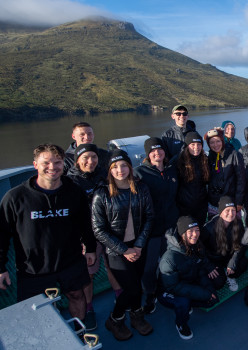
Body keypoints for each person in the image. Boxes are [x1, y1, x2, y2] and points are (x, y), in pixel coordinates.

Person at [0, 144, 96, 329]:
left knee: (77, 295)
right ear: (35, 164)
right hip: (33, 267)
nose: (52, 167)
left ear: (63, 164)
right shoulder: (15, 197)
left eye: (57, 162)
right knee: (35, 308)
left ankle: (80, 332)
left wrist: (90, 247)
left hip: (70, 260)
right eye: (46, 162)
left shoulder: (74, 193)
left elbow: (85, 224)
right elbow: (2, 233)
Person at [92, 149, 154, 341]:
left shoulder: (140, 188)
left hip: (138, 246)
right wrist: (124, 249)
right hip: (116, 250)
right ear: (109, 170)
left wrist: (139, 245)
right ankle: (115, 319)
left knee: (136, 285)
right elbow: (98, 229)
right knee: (132, 288)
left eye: (124, 165)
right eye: (115, 167)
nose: (120, 170)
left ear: (129, 166)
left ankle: (136, 316)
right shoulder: (101, 194)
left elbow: (149, 217)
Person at [67, 143, 121, 331]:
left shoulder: (103, 175)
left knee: (112, 265)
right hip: (87, 234)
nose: (90, 161)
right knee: (89, 272)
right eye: (86, 158)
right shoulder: (71, 182)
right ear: (77, 160)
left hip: (108, 229)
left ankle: (119, 296)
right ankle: (88, 308)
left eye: (94, 157)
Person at [134, 137, 180, 314]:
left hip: (171, 227)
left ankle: (166, 290)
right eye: (152, 150)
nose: (157, 153)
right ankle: (150, 294)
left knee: (170, 263)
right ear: (147, 154)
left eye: (160, 149)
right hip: (151, 229)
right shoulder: (140, 173)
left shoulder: (171, 171)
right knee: (149, 267)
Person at [158, 216, 219, 340]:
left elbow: (200, 269)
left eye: (197, 230)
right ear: (182, 234)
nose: (195, 234)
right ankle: (181, 323)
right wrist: (204, 294)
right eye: (190, 231)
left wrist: (209, 291)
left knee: (211, 299)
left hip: (186, 281)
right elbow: (173, 286)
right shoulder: (169, 258)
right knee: (183, 302)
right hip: (167, 291)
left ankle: (190, 304)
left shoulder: (196, 246)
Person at [201, 196, 248, 292]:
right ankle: (222, 273)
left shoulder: (238, 224)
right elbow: (199, 248)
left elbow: (241, 245)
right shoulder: (209, 228)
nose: (231, 213)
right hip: (214, 259)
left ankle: (229, 275)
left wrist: (232, 262)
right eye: (227, 210)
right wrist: (208, 265)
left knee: (243, 263)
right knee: (218, 283)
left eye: (233, 210)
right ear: (220, 212)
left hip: (228, 256)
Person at [205, 128, 245, 217]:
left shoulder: (234, 154)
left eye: (218, 141)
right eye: (212, 142)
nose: (215, 145)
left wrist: (239, 201)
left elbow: (241, 180)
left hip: (230, 201)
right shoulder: (210, 156)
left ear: (222, 140)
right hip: (214, 202)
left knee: (234, 228)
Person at [176, 131, 209, 226]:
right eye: (192, 144)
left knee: (200, 230)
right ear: (187, 146)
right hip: (185, 206)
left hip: (201, 205)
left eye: (199, 144)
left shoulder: (204, 160)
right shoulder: (179, 161)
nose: (196, 147)